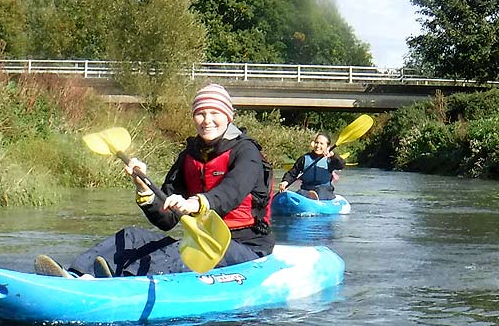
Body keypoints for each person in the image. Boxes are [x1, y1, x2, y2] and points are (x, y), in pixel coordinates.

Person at [37, 83, 275, 278]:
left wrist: (196, 203)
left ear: (228, 116)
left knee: (175, 252)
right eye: (200, 113)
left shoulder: (247, 152)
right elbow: (167, 219)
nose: (207, 120)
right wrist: (144, 191)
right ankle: (77, 275)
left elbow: (232, 191)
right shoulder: (188, 156)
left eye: (215, 113)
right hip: (201, 244)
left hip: (246, 248)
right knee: (130, 237)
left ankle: (123, 287)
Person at [279, 132, 345, 200]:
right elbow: (292, 173)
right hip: (306, 189)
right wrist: (285, 181)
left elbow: (341, 165)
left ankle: (312, 197)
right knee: (301, 193)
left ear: (327, 147)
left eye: (321, 143)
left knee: (321, 193)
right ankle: (309, 195)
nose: (318, 146)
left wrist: (333, 156)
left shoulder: (330, 160)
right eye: (316, 142)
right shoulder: (304, 158)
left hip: (325, 191)